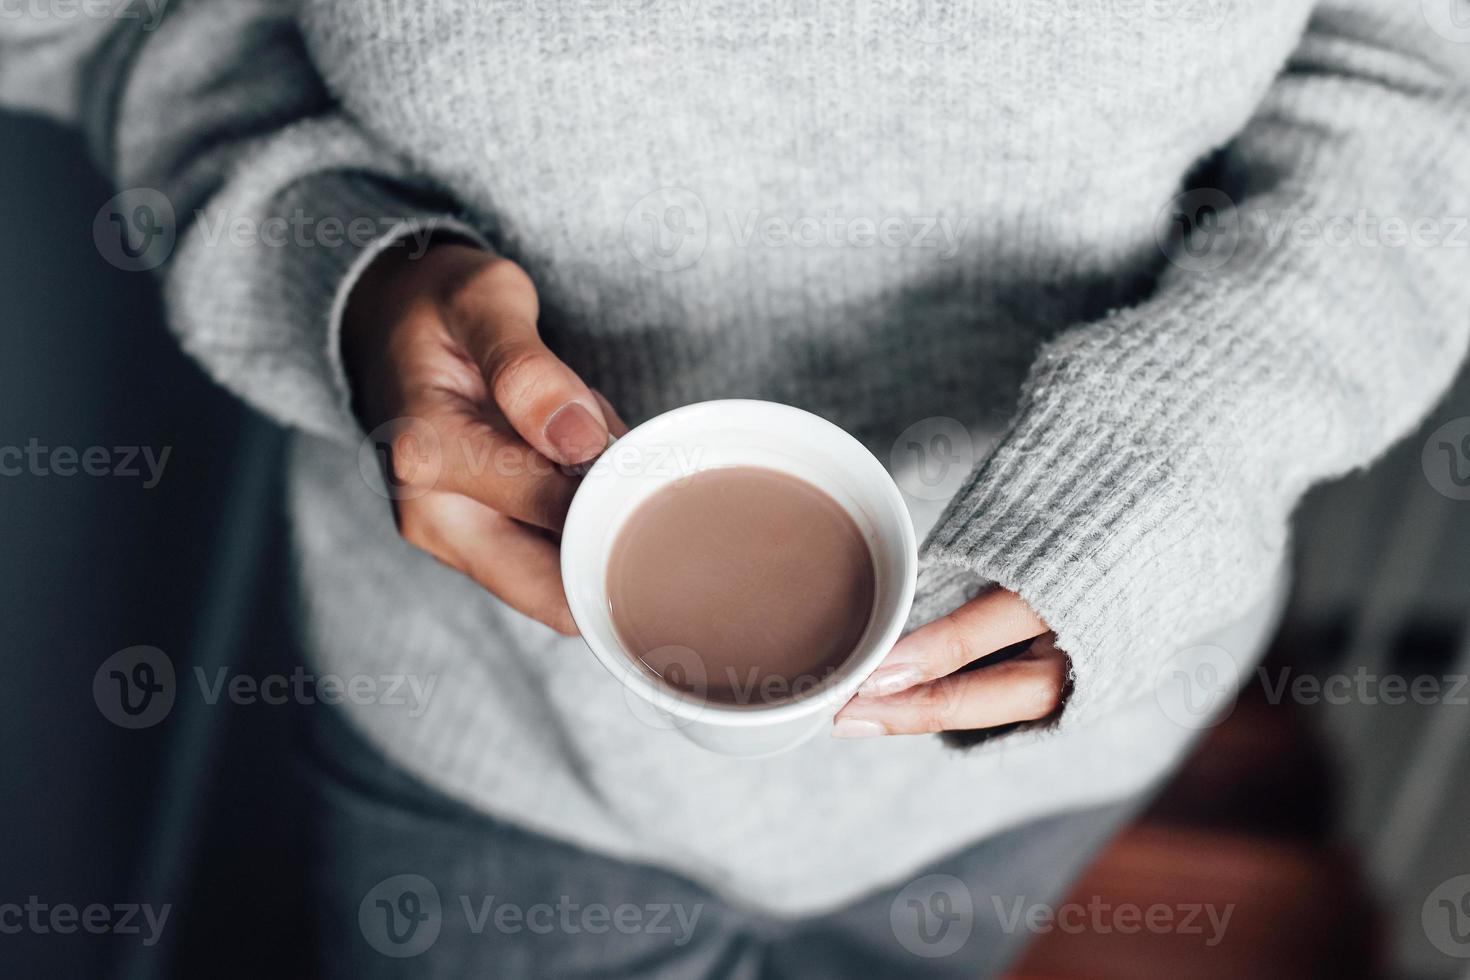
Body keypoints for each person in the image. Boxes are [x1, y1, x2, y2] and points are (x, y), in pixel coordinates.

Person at [4, 1, 1468, 975]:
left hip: (1059, 718)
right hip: (482, 730)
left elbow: (1422, 91)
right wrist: (344, 265)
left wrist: (1165, 454)